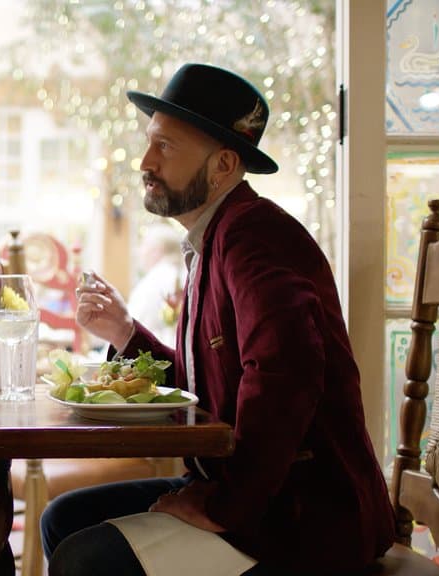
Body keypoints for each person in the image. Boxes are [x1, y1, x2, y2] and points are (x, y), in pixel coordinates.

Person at [42, 63, 394, 576]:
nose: (145, 161)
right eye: (149, 143)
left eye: (166, 146)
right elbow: (209, 392)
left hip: (306, 517)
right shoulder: (216, 239)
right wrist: (124, 333)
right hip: (257, 492)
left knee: (84, 557)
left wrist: (223, 507)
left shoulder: (254, 238)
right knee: (65, 517)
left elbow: (287, 373)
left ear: (224, 164)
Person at [127, 225, 184, 345]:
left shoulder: (154, 281)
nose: (139, 252)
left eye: (143, 245)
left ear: (157, 250)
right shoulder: (185, 275)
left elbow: (132, 328)